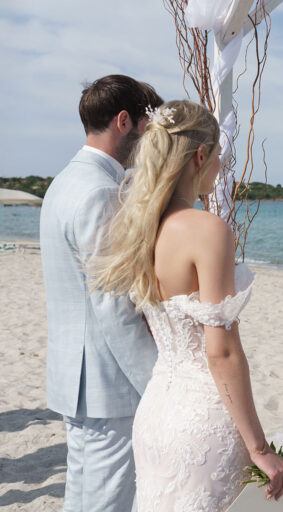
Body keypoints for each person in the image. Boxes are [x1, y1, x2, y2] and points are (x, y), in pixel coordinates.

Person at [89, 100, 283, 511]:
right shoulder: (207, 230)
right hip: (204, 419)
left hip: (156, 416)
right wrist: (259, 448)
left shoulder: (138, 230)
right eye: (218, 156)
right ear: (200, 156)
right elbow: (221, 351)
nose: (218, 166)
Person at [40, 74, 163, 511]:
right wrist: (159, 385)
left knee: (85, 493)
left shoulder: (63, 183)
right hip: (105, 381)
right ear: (124, 121)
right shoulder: (100, 193)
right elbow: (114, 307)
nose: (150, 143)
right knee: (106, 499)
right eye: (150, 130)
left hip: (78, 374)